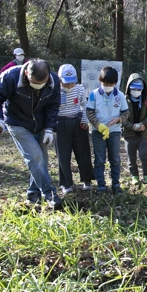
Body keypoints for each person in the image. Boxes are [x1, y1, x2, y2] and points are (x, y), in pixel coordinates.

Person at [0, 59, 63, 208]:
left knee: (42, 160)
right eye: (34, 83)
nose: (38, 86)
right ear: (27, 73)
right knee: (35, 157)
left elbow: (53, 106)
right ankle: (50, 194)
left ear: (48, 75)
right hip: (17, 122)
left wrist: (49, 128)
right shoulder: (10, 76)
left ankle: (33, 195)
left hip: (41, 124)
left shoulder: (53, 80)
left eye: (42, 83)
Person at [86, 66, 129, 194]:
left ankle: (116, 184)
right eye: (105, 83)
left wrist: (118, 120)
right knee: (99, 159)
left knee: (115, 159)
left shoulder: (120, 96)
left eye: (110, 84)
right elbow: (89, 112)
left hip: (114, 132)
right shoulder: (94, 94)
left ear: (115, 83)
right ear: (100, 81)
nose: (107, 86)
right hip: (98, 132)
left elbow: (126, 113)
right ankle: (101, 185)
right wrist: (98, 124)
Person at [55, 64, 95, 195]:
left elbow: (84, 104)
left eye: (72, 83)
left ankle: (87, 180)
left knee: (83, 151)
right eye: (66, 83)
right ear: (59, 80)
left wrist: (84, 119)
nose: (69, 86)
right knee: (63, 154)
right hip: (61, 123)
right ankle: (66, 183)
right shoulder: (54, 90)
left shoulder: (79, 89)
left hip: (78, 122)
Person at [122, 73, 147, 187]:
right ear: (129, 88)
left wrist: (144, 124)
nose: (136, 91)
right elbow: (120, 117)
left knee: (144, 155)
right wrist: (130, 126)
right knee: (131, 157)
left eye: (139, 89)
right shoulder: (123, 100)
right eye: (134, 89)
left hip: (142, 134)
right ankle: (134, 176)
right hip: (129, 134)